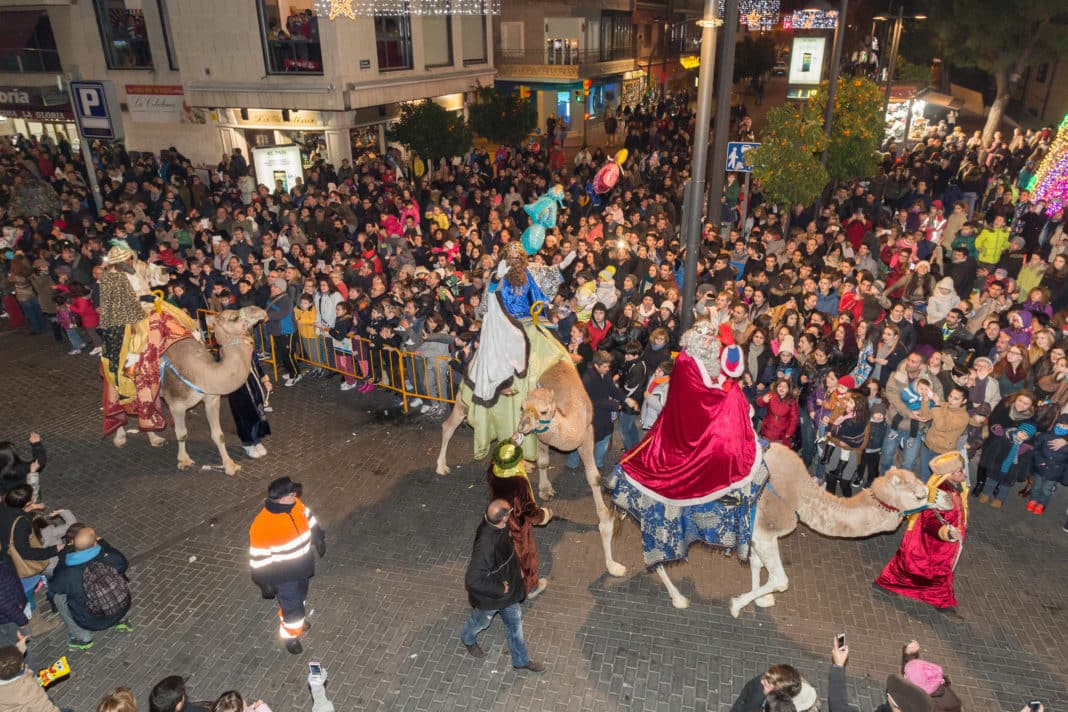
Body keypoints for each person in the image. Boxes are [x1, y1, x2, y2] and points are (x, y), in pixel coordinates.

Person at [875, 451, 968, 611]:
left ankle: (888, 583)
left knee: (918, 570)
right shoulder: (940, 493)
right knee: (927, 571)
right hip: (933, 544)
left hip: (942, 546)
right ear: (949, 474)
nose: (964, 473)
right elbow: (930, 521)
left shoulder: (956, 487)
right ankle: (941, 602)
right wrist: (948, 533)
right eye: (960, 471)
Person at [460, 499, 544, 673]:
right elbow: (473, 579)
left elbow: (507, 553)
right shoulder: (486, 544)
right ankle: (467, 638)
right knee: (480, 622)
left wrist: (517, 569)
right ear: (504, 518)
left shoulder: (497, 526)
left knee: (515, 625)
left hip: (508, 592)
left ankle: (520, 661)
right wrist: (500, 588)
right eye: (509, 512)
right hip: (491, 597)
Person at [248, 476, 325, 655]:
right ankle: (290, 635)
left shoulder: (296, 504)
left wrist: (318, 535)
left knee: (299, 597)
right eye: (292, 493)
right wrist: (263, 582)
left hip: (303, 567)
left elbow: (310, 519)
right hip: (283, 576)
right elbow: (258, 558)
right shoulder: (262, 525)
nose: (296, 495)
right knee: (292, 606)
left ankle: (296, 615)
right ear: (283, 499)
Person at [48, 524, 132, 650]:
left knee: (58, 597)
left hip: (91, 620)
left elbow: (54, 586)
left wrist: (62, 560)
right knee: (118, 576)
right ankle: (123, 620)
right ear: (95, 543)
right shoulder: (111, 556)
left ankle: (82, 636)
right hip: (120, 609)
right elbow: (123, 565)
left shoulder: (69, 572)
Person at [486, 441, 552, 598]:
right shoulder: (519, 482)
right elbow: (530, 511)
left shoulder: (493, 470)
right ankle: (530, 586)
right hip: (516, 524)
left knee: (504, 554)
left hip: (498, 521)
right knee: (525, 556)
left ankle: (505, 580)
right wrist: (545, 514)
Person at [0, 635, 64, 712]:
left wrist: (20, 646)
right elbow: (45, 708)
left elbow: (7, 661)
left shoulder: (6, 672)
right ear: (21, 665)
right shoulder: (27, 688)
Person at [227, 353, 272, 460]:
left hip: (254, 387)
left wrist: (265, 381)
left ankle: (256, 441)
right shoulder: (226, 349)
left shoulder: (248, 345)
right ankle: (247, 443)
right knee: (244, 417)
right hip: (238, 390)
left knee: (257, 414)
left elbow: (257, 364)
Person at [729, 662, 820, 711]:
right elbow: (744, 699)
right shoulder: (766, 680)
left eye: (767, 685)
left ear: (779, 694)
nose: (761, 681)